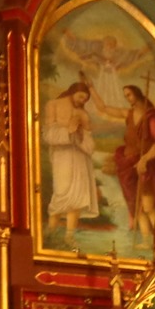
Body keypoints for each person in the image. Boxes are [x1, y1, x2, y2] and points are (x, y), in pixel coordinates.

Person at [95, 83, 155, 246]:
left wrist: (144, 159)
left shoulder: (152, 117)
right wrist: (91, 88)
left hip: (147, 167)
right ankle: (146, 241)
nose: (127, 98)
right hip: (129, 166)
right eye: (125, 95)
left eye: (129, 94)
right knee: (137, 208)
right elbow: (103, 108)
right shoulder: (129, 114)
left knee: (148, 207)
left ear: (137, 94)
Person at [43, 81, 100, 241]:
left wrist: (79, 136)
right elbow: (48, 135)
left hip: (80, 158)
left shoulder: (83, 114)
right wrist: (68, 132)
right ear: (73, 91)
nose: (82, 101)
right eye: (81, 96)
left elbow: (89, 143)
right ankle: (50, 233)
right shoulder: (53, 105)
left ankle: (69, 237)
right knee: (61, 193)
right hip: (62, 156)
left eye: (85, 99)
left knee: (77, 198)